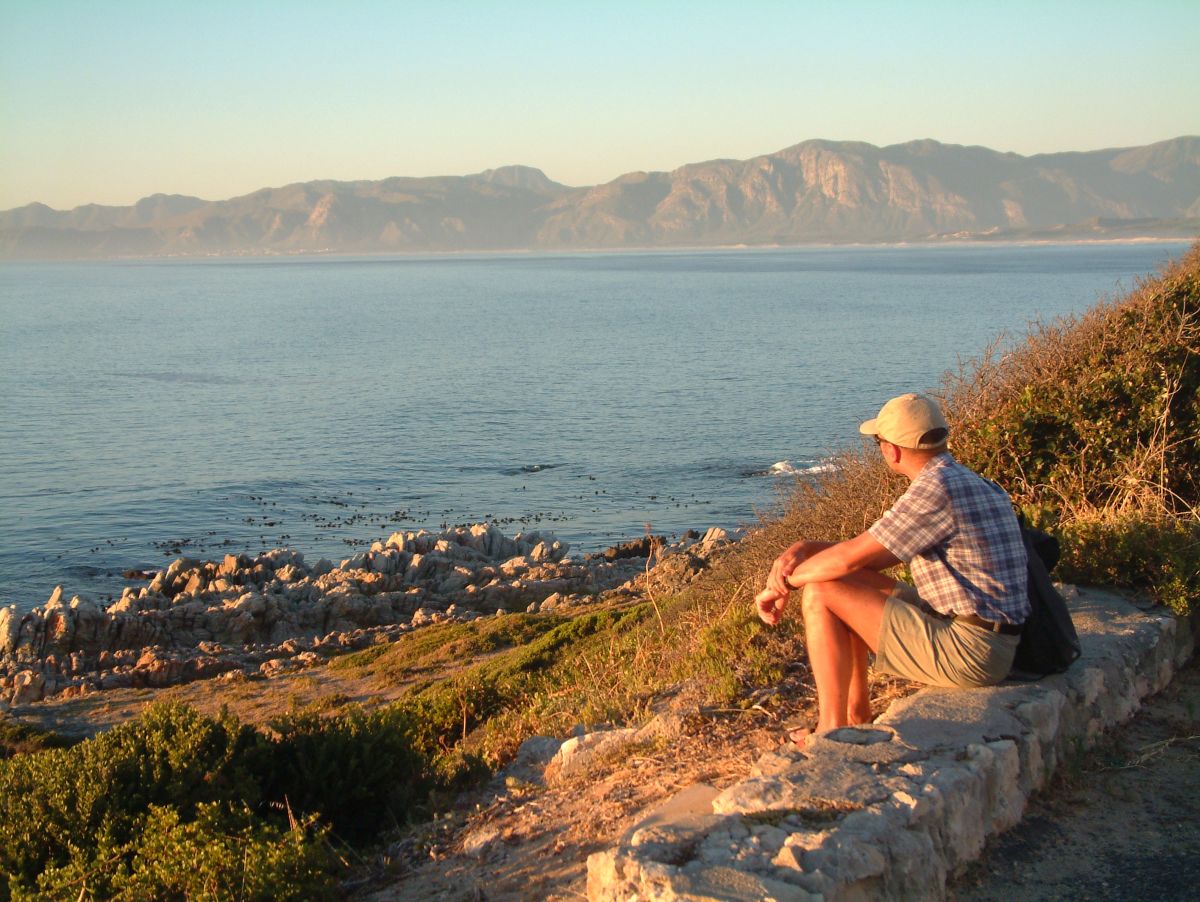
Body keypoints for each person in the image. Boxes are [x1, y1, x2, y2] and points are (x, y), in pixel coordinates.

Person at [755, 393, 1029, 739]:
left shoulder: (935, 490)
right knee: (844, 581)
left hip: (972, 652)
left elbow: (846, 559)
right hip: (987, 636)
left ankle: (831, 729)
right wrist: (803, 550)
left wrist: (780, 586)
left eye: (878, 442)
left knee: (821, 591)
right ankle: (856, 714)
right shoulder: (962, 479)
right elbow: (864, 556)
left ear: (892, 450)